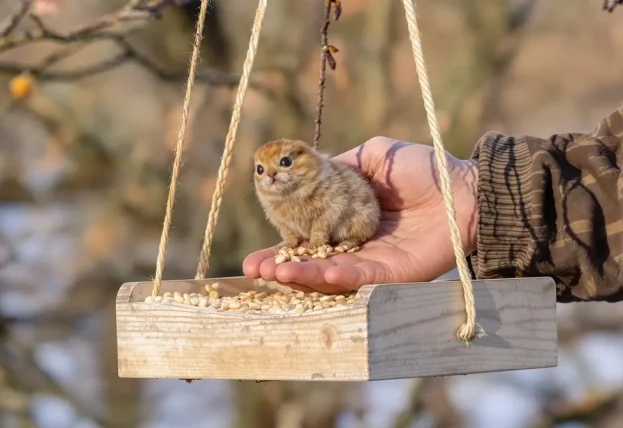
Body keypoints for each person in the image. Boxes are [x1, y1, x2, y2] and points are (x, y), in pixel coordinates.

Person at [242, 106, 623, 303]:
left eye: (284, 164)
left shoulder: (326, 177)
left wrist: (472, 193)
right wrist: (477, 195)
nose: (271, 175)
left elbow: (336, 202)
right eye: (261, 170)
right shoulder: (271, 195)